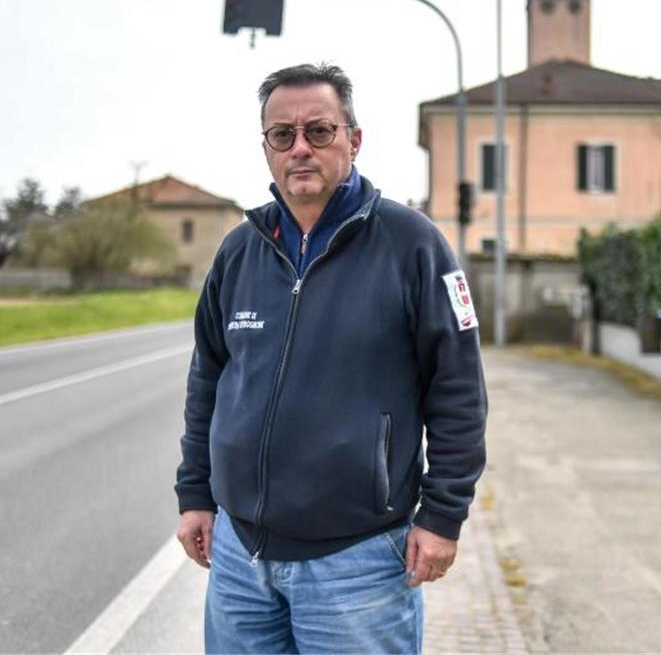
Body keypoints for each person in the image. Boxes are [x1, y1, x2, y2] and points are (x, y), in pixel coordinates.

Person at [174, 62, 487, 653]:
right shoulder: (240, 251)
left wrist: (443, 516)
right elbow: (207, 382)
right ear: (265, 146)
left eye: (319, 131)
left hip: (359, 563)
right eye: (281, 135)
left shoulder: (413, 245)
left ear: (353, 139)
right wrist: (195, 495)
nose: (300, 148)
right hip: (241, 559)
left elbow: (459, 390)